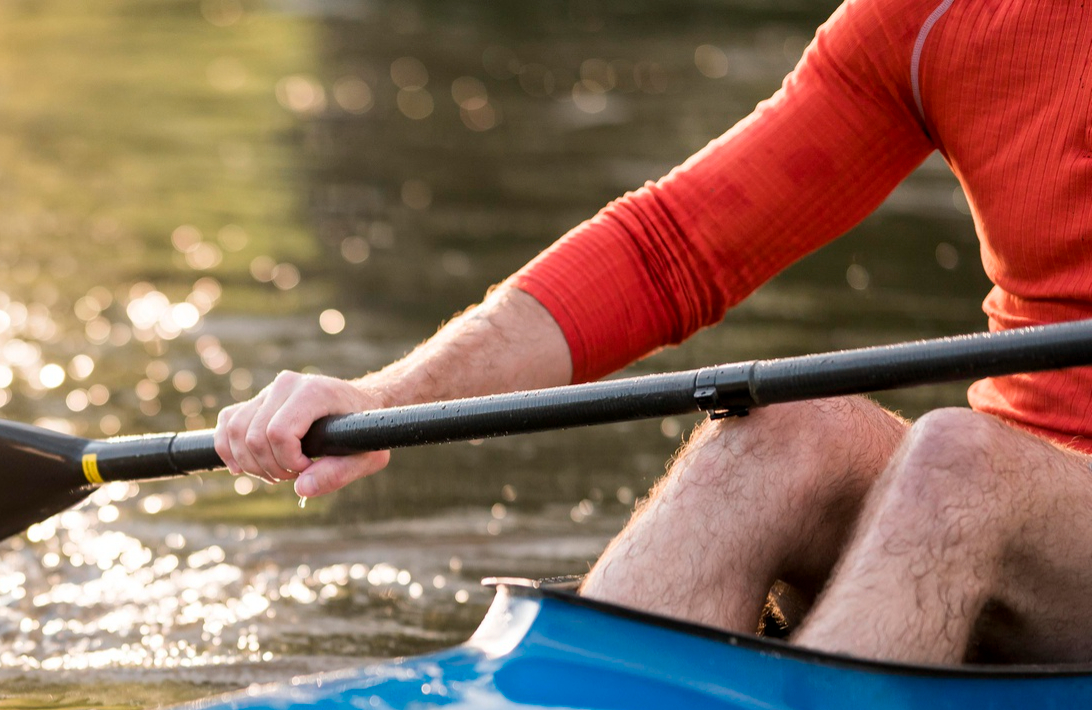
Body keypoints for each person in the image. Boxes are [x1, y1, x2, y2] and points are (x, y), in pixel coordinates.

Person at [214, 0, 1092, 666]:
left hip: (994, 489)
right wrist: (381, 397)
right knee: (779, 423)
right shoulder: (936, 18)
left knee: (959, 462)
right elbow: (666, 251)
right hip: (1031, 501)